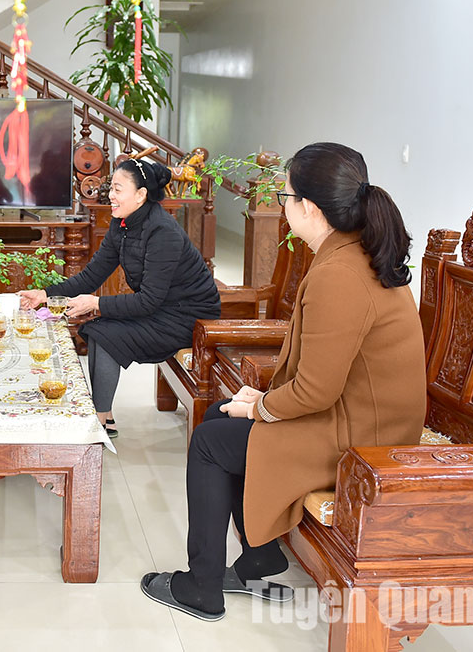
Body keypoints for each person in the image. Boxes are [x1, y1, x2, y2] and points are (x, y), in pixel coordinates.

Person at [139, 142, 428, 622]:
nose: (283, 205)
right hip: (357, 418)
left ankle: (202, 587)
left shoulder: (340, 273)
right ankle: (258, 559)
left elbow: (317, 391)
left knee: (211, 442)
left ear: (308, 207)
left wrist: (261, 408)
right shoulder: (353, 253)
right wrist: (263, 401)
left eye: (285, 196)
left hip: (362, 439)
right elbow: (326, 373)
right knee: (219, 417)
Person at [18, 158, 221, 437]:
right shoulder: (122, 223)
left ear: (141, 195)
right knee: (97, 329)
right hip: (162, 307)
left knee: (104, 333)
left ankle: (99, 420)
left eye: (117, 189)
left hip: (187, 318)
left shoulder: (163, 231)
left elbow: (148, 301)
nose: (110, 196)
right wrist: (44, 294)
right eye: (110, 188)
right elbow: (92, 275)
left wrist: (96, 303)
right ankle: (104, 416)